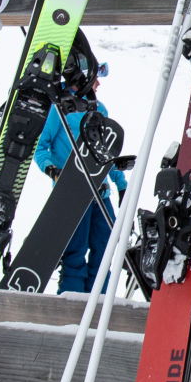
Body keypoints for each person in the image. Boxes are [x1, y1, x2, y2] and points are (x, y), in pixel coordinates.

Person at [35, 30, 127, 294]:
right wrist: (52, 169)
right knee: (75, 253)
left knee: (104, 250)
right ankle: (71, 306)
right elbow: (41, 148)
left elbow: (106, 152)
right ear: (84, 76)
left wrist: (121, 184)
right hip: (71, 193)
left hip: (100, 192)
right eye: (96, 78)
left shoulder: (99, 110)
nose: (98, 84)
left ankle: (96, 306)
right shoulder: (58, 108)